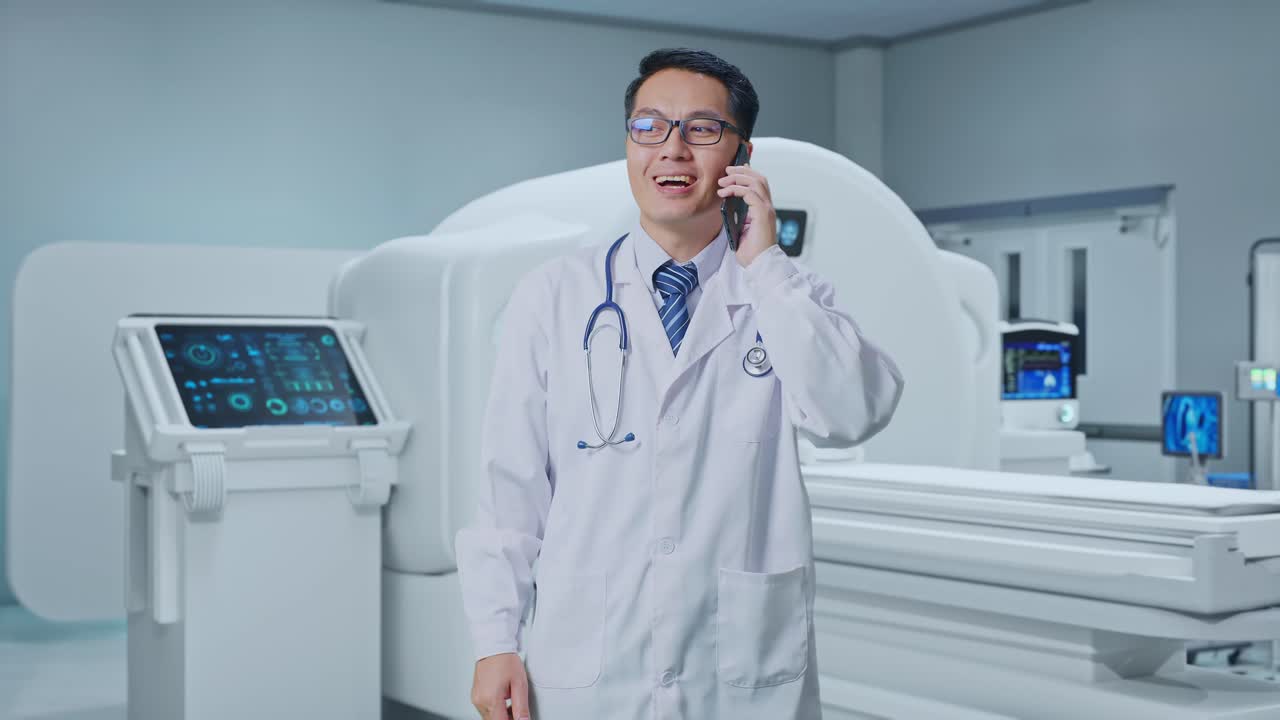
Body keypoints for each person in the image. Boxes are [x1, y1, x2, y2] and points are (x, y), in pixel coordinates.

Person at [455, 47, 904, 720]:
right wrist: (495, 640)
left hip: (739, 664)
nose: (672, 149)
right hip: (592, 663)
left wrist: (765, 265)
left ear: (741, 156)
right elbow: (511, 484)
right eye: (649, 126)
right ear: (629, 144)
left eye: (701, 129)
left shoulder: (787, 297)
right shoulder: (554, 295)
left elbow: (851, 413)